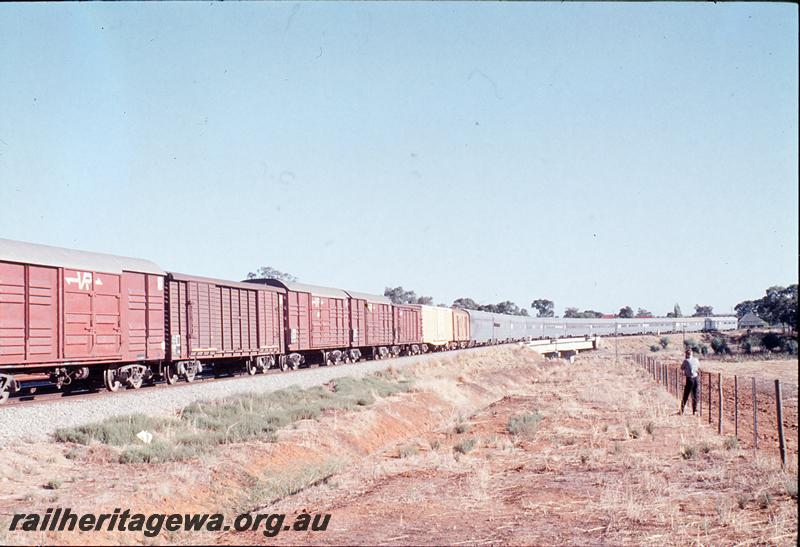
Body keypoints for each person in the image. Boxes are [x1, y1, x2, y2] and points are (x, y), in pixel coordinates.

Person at [680, 348, 700, 415]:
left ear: (686, 354)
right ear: (692, 354)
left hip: (690, 379)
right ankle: (694, 411)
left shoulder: (686, 361)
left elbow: (682, 368)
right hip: (696, 378)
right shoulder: (696, 359)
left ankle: (681, 411)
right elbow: (698, 367)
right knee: (695, 395)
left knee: (686, 395)